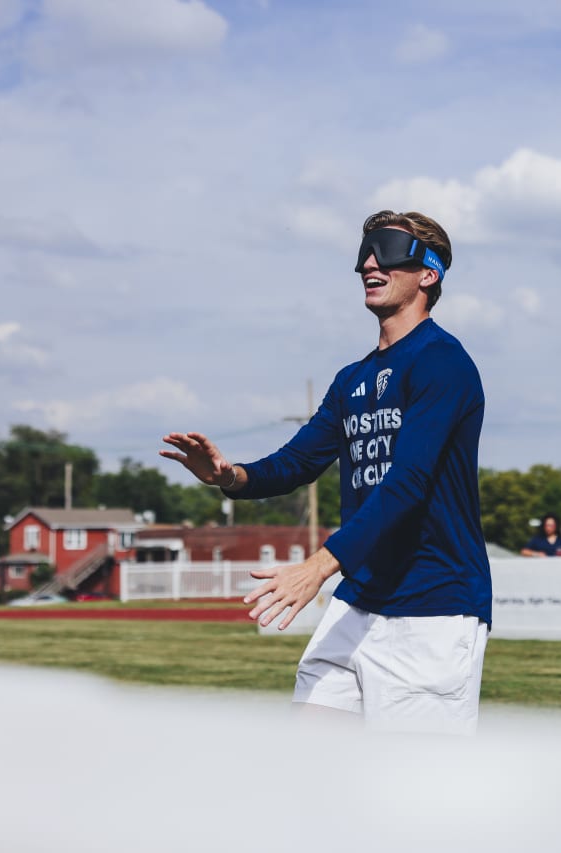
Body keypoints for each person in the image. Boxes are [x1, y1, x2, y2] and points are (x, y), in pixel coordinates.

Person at [160, 210, 490, 733]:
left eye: (386, 249)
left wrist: (318, 567)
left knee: (418, 797)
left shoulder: (442, 362)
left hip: (431, 607)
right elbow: (295, 463)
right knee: (311, 767)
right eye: (364, 251)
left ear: (429, 273)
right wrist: (227, 475)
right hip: (358, 601)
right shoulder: (352, 379)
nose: (368, 262)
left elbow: (407, 484)